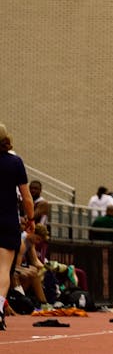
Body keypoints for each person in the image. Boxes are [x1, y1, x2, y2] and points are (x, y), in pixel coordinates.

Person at [0, 123, 35, 330]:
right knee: (3, 269)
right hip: (6, 220)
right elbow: (27, 197)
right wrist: (30, 219)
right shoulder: (15, 162)